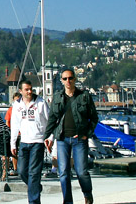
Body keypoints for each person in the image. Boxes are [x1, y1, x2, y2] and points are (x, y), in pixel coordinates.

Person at [45, 68, 98, 204]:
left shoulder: (84, 96)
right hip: (62, 138)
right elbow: (52, 118)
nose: (68, 81)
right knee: (63, 173)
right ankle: (67, 201)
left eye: (70, 78)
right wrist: (47, 136)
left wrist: (87, 134)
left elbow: (94, 118)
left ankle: (87, 195)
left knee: (81, 172)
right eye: (65, 79)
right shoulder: (57, 97)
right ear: (62, 81)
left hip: (79, 139)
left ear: (75, 79)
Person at [10, 79, 49, 204]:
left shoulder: (41, 103)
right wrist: (13, 143)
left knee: (34, 173)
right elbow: (15, 125)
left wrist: (49, 138)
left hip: (37, 141)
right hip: (24, 142)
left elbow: (50, 122)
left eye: (30, 89)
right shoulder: (17, 105)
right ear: (21, 91)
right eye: (26, 89)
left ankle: (33, 201)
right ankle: (36, 187)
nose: (29, 91)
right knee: (21, 171)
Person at [6, 91, 22, 175]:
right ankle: (14, 168)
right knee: (13, 152)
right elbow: (7, 122)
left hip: (22, 134)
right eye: (15, 100)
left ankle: (21, 168)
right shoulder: (10, 110)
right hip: (14, 133)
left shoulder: (23, 108)